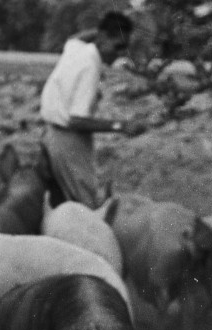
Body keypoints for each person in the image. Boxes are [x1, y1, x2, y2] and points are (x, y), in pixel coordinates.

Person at [39, 11, 147, 208]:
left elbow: (73, 38)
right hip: (67, 140)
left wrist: (105, 28)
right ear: (104, 38)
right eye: (118, 46)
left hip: (51, 133)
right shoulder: (91, 65)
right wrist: (121, 126)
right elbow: (77, 120)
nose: (120, 53)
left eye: (125, 48)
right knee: (86, 205)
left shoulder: (78, 49)